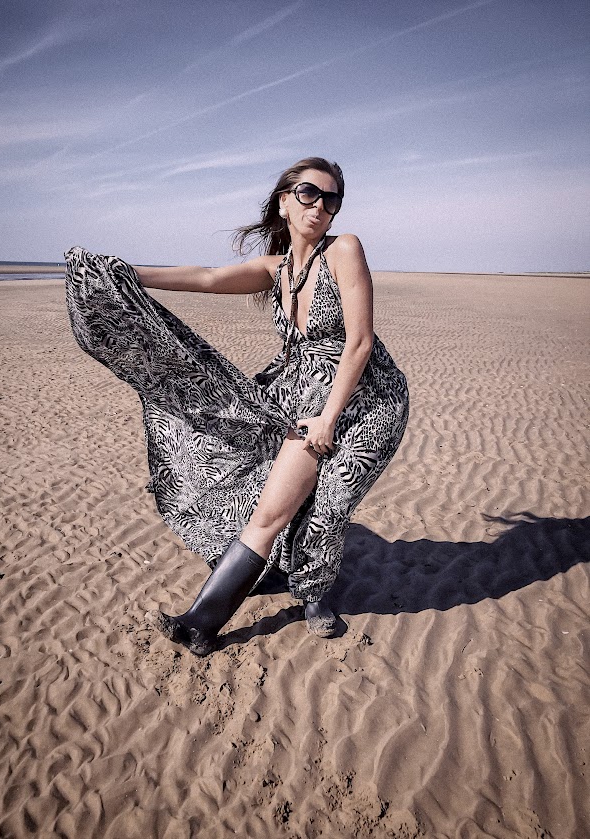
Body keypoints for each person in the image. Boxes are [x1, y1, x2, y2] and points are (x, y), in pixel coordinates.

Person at [65, 156, 409, 657]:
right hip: (305, 393)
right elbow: (207, 278)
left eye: (331, 200)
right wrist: (126, 274)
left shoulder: (345, 250)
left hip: (370, 398)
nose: (321, 207)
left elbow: (358, 343)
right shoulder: (277, 268)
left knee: (329, 502)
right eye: (310, 194)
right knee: (273, 509)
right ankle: (200, 624)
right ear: (284, 201)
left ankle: (313, 597)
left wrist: (329, 420)